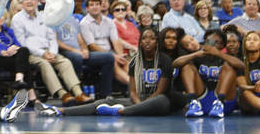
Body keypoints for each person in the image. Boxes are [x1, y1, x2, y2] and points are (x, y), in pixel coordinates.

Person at [60, 27, 188, 116]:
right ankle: (63, 111)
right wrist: (138, 103)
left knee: (160, 100)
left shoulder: (165, 60)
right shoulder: (135, 62)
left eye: (152, 38)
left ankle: (120, 112)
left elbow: (161, 90)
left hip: (159, 102)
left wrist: (143, 103)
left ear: (157, 42)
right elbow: (132, 91)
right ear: (140, 42)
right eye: (144, 38)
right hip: (138, 99)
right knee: (104, 102)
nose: (148, 41)